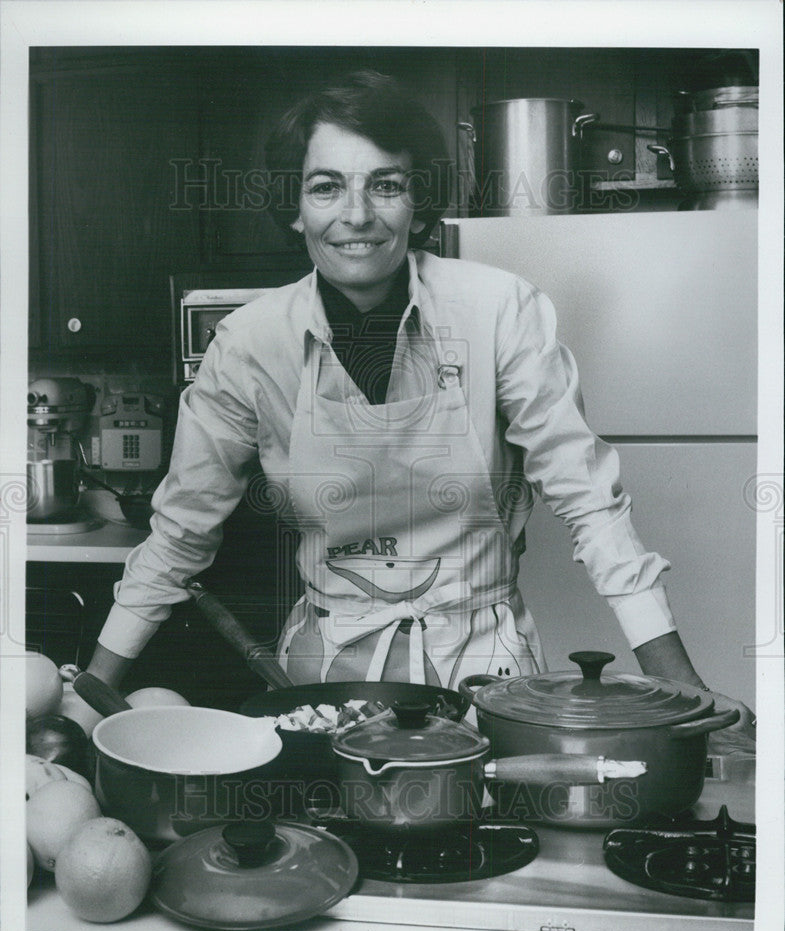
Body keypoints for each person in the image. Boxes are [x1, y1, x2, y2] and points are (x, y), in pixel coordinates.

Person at [86, 70, 754, 749]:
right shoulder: (250, 344)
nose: (356, 215)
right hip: (320, 684)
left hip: (486, 680)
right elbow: (178, 536)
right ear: (294, 207)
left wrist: (679, 687)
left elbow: (588, 502)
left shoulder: (498, 309)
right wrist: (86, 694)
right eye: (325, 186)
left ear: (417, 200)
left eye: (384, 184)